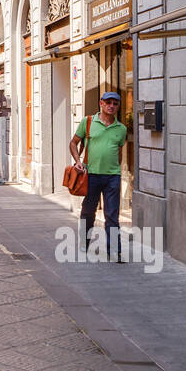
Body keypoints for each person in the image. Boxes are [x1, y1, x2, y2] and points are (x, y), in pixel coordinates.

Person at [69, 92, 128, 260]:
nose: (111, 105)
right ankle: (84, 243)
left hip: (112, 177)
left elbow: (119, 153)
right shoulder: (87, 122)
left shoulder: (121, 129)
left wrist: (117, 170)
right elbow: (73, 143)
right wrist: (77, 161)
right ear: (101, 103)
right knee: (88, 212)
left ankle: (114, 251)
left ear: (118, 106)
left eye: (115, 103)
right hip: (91, 175)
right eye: (108, 102)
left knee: (112, 214)